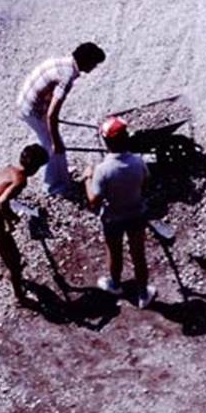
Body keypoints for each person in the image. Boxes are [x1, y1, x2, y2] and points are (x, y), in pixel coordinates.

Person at [16, 42, 106, 195]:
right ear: (87, 61)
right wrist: (56, 142)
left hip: (25, 101)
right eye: (94, 64)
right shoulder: (67, 77)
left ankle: (61, 173)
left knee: (54, 143)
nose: (94, 68)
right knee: (53, 145)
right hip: (31, 110)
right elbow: (52, 115)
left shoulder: (61, 62)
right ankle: (52, 186)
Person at [86, 116, 157, 309]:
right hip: (136, 214)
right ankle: (143, 294)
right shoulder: (138, 161)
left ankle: (115, 284)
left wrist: (87, 179)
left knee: (114, 252)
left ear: (106, 141)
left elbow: (94, 200)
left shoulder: (102, 170)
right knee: (138, 254)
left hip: (113, 218)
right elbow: (146, 183)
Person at [0, 144, 49, 303]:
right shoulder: (21, 180)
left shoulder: (9, 169)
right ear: (34, 168)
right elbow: (3, 200)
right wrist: (10, 220)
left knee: (4, 248)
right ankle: (20, 297)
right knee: (15, 260)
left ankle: (12, 270)